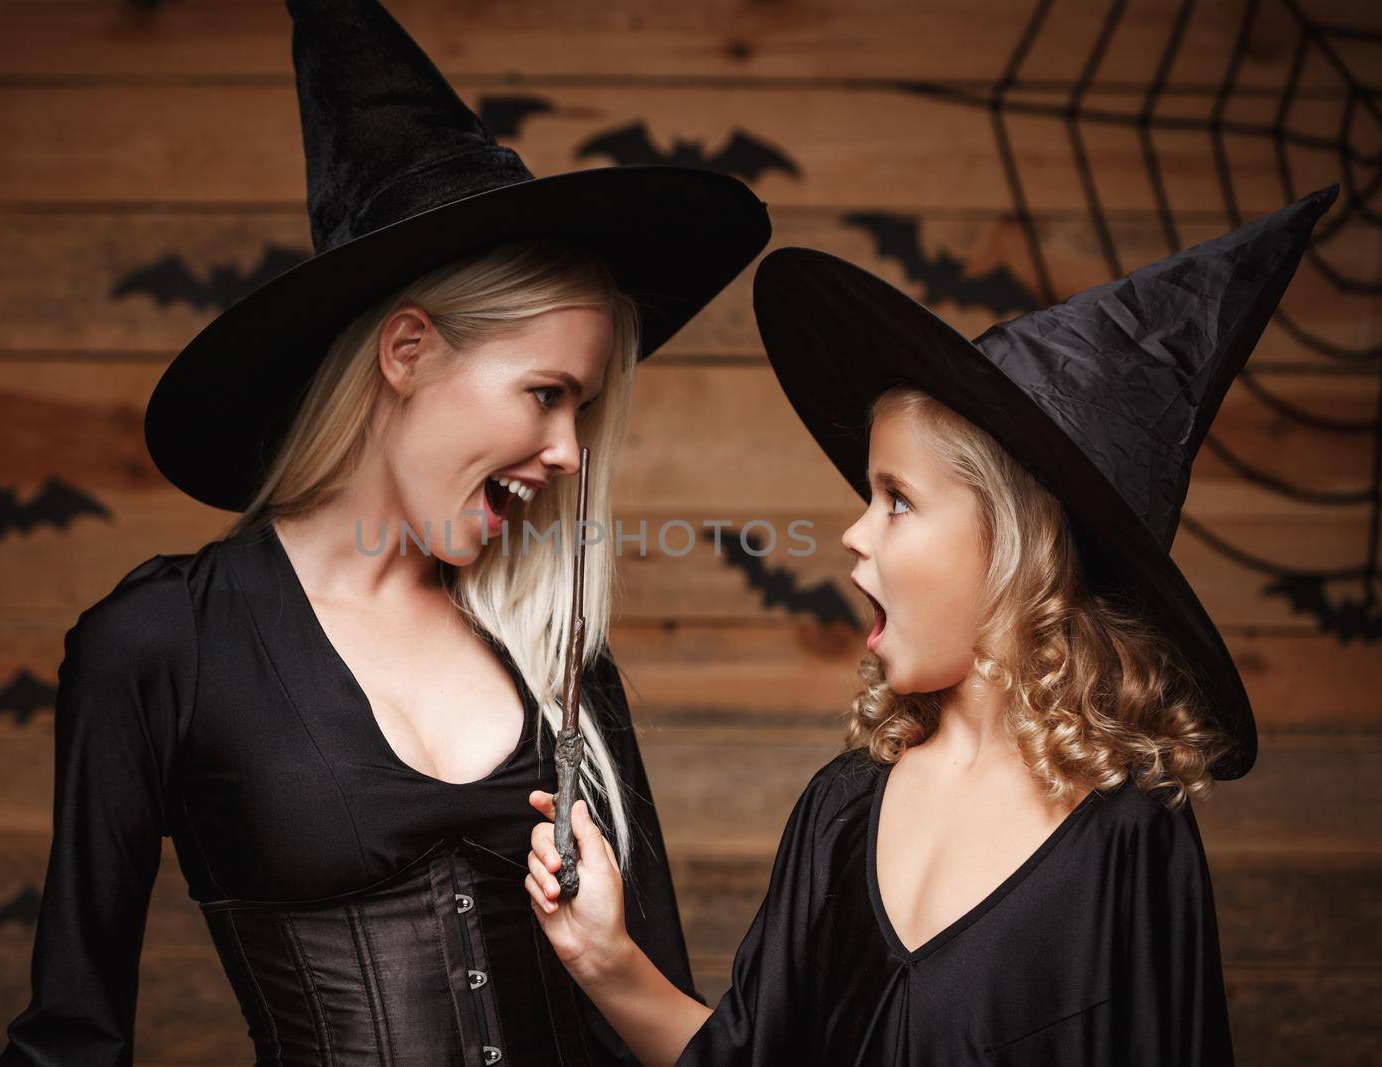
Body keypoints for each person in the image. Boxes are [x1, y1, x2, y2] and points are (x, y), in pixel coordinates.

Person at [0, 1, 771, 1063]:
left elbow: (665, 1018)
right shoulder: (159, 646)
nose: (568, 453)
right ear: (407, 351)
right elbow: (70, 1039)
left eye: (582, 411)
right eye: (545, 393)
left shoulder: (555, 653)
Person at [524, 185, 1338, 1065]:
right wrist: (604, 957)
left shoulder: (1129, 840)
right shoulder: (841, 810)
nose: (853, 531)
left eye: (898, 500)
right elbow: (748, 1054)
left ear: (1012, 545)